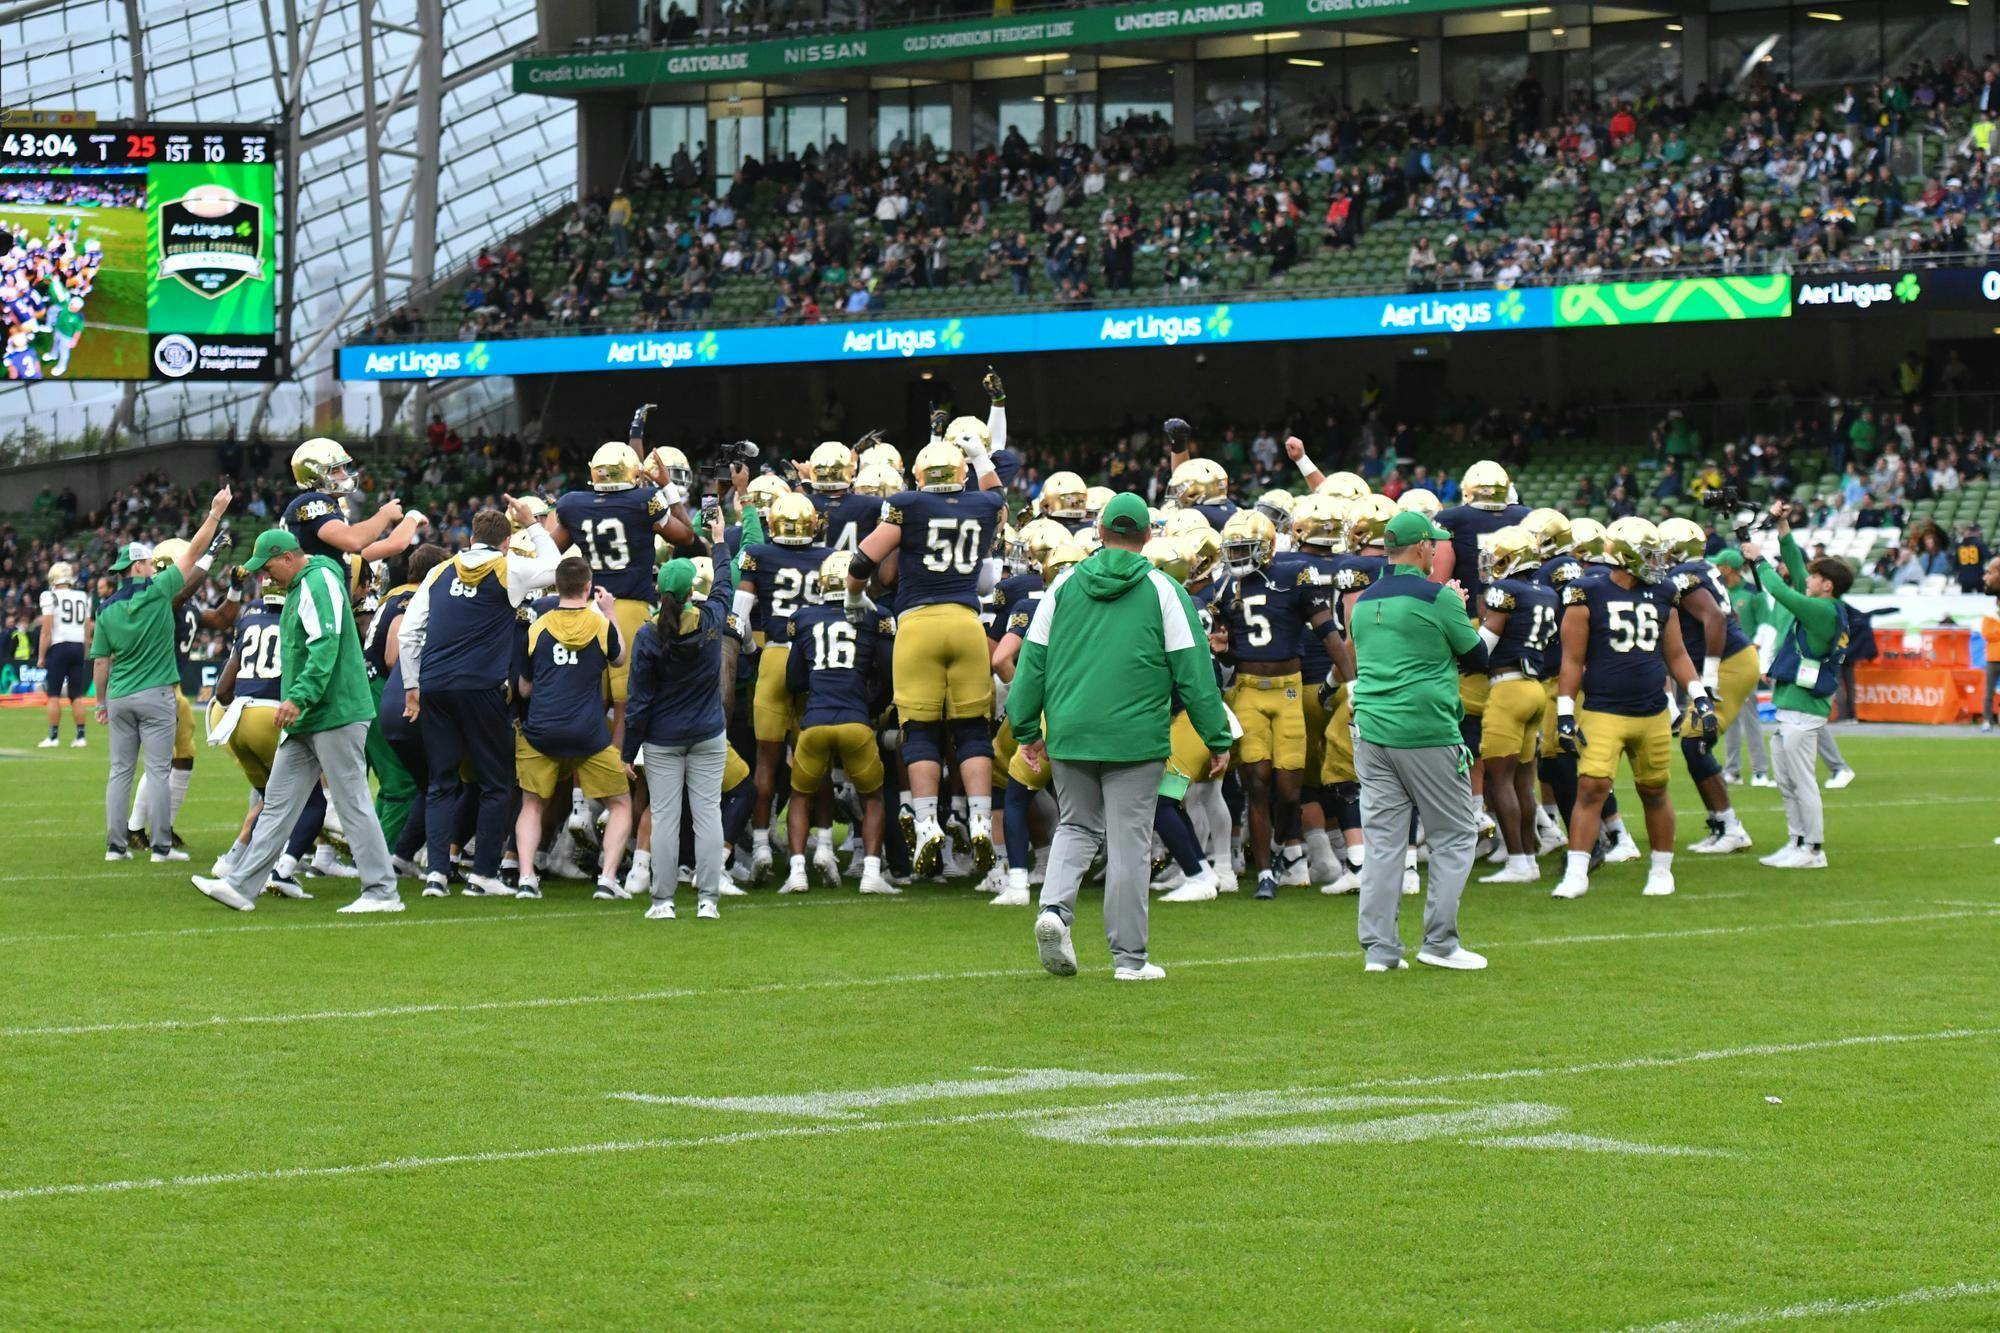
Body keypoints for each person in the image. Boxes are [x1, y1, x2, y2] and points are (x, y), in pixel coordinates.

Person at [1010, 493, 1232, 982]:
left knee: (1076, 826)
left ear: (1100, 531)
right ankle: (1129, 959)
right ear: (1148, 536)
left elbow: (1032, 663)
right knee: (1129, 840)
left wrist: (1025, 728)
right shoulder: (1163, 589)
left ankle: (1055, 911)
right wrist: (1216, 737)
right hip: (1135, 735)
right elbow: (1194, 672)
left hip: (1071, 729)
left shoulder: (1063, 585)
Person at [190, 527, 403, 914]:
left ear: (288, 558)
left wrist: (298, 696)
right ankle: (241, 886)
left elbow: (325, 644)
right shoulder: (306, 582)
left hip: (334, 711)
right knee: (277, 803)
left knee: (352, 801)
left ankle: (382, 891)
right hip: (309, 715)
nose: (265, 575)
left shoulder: (316, 582)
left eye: (268, 567)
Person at [847, 373, 1010, 875]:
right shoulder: (984, 504)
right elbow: (1000, 502)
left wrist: (854, 598)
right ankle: (979, 819)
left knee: (918, 729)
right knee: (971, 728)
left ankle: (925, 823)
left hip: (917, 623)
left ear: (918, 475)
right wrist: (981, 459)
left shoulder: (906, 504)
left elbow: (863, 560)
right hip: (966, 622)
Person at [398, 497, 561, 899]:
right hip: (482, 686)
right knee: (495, 782)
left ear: (470, 538)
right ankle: (484, 874)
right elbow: (556, 566)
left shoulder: (439, 570)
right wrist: (534, 525)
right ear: (506, 542)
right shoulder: (509, 567)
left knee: (441, 782)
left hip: (435, 686)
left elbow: (409, 633)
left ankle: (436, 874)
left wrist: (412, 686)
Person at [1349, 510, 1488, 972]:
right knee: (1455, 835)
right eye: (1434, 544)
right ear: (1422, 547)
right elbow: (1477, 657)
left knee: (1384, 843)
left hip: (1372, 730)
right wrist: (1458, 607)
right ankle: (1440, 943)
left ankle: (1380, 950)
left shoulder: (1364, 600)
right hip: (1425, 730)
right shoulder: (1437, 597)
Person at [1550, 517, 1714, 901]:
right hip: (1604, 708)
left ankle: (1661, 870)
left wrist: (1699, 695)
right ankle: (1577, 872)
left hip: (1652, 710)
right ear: (1626, 556)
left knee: (1654, 790)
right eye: (1650, 554)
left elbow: (1676, 653)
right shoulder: (1587, 592)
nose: (1658, 562)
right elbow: (1571, 660)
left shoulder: (1664, 592)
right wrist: (1565, 713)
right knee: (1591, 787)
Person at [90, 486, 230, 862]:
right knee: (157, 772)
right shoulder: (158, 591)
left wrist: (100, 702)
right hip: (157, 694)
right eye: (149, 563)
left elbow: (100, 662)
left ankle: (115, 847)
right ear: (138, 566)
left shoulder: (105, 609)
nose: (154, 567)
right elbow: (193, 552)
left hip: (119, 696)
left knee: (119, 772)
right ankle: (161, 848)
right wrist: (215, 513)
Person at [513, 557, 632, 902]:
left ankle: (526, 878)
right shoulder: (600, 625)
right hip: (587, 732)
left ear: (557, 586)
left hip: (542, 730)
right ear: (588, 586)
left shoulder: (537, 628)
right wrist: (610, 612)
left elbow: (524, 689)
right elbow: (620, 658)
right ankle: (607, 880)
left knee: (531, 805)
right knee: (621, 804)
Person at [624, 556, 737, 920]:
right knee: (708, 815)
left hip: (663, 737)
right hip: (707, 733)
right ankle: (708, 901)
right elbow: (725, 584)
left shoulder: (648, 634)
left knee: (665, 818)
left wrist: (628, 751)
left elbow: (639, 701)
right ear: (692, 591)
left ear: (659, 589)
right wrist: (720, 543)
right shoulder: (711, 620)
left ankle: (663, 901)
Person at [1741, 502, 1851, 869]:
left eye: (1815, 577)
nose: (1807, 579)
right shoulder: (1821, 604)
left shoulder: (1823, 610)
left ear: (1827, 585)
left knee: (1802, 782)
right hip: (1792, 708)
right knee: (1788, 783)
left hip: (1803, 712)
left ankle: (1813, 849)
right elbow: (1797, 567)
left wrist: (1758, 560)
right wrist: (1783, 526)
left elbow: (1782, 591)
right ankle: (1797, 840)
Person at [783, 551, 896, 896]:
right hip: (855, 721)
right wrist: (870, 706)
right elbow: (888, 676)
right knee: (873, 797)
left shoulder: (803, 618)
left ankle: (797, 871)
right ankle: (871, 873)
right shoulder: (876, 617)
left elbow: (793, 680)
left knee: (800, 796)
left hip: (815, 721)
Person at [1711, 550, 1773, 784]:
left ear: (1728, 568)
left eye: (1719, 565)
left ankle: (1760, 770)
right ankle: (1732, 770)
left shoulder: (1752, 593)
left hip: (1745, 661)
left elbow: (1766, 625)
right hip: (1725, 660)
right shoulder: (1719, 592)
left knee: (1750, 716)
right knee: (1729, 717)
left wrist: (1754, 648)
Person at [37, 561, 92, 748]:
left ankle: (53, 737)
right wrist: (85, 651)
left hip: (59, 646)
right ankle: (81, 737)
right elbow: (87, 628)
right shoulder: (83, 596)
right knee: (76, 695)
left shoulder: (49, 596)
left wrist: (41, 656)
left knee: (53, 694)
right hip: (78, 646)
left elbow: (46, 630)